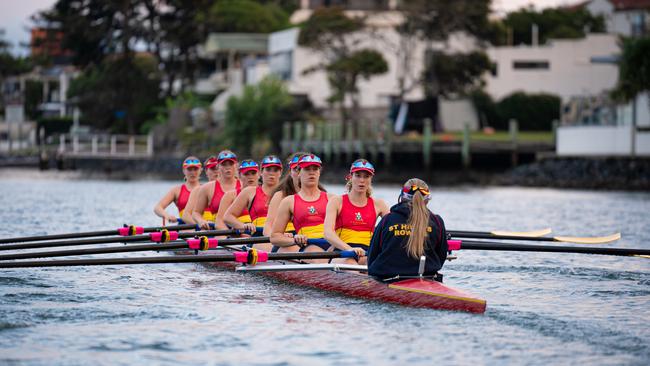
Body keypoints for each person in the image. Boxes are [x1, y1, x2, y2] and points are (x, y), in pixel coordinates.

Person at [367, 178, 448, 280]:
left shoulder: (387, 220)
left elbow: (372, 257)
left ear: (401, 197)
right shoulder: (437, 222)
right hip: (428, 278)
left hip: (387, 279)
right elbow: (441, 256)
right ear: (427, 200)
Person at [323, 159, 389, 264]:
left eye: (366, 176)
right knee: (351, 263)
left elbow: (393, 229)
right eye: (358, 175)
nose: (362, 180)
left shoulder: (379, 204)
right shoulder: (337, 201)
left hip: (367, 253)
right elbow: (327, 233)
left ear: (371, 179)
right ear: (350, 177)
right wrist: (349, 249)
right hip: (342, 252)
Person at [270, 154, 334, 262]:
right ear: (299, 173)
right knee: (317, 256)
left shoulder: (333, 199)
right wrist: (294, 240)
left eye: (315, 169)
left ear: (319, 173)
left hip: (332, 245)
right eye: (307, 169)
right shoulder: (288, 201)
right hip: (309, 245)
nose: (312, 172)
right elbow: (274, 237)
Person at [223, 155, 283, 249]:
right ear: (261, 172)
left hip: (283, 237)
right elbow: (227, 217)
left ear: (280, 173)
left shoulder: (288, 193)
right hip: (259, 237)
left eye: (275, 170)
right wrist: (243, 226)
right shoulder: (250, 192)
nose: (272, 173)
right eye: (268, 170)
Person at [189, 150, 241, 229]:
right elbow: (196, 213)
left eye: (231, 164)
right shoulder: (207, 188)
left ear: (236, 166)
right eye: (224, 164)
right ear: (218, 167)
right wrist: (201, 221)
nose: (228, 167)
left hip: (242, 230)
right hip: (216, 230)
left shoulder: (244, 186)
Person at [214, 159, 262, 230]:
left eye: (253, 173)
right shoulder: (230, 195)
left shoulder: (266, 194)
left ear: (259, 175)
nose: (250, 176)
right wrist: (232, 234)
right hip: (238, 237)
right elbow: (219, 223)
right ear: (239, 176)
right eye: (246, 174)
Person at [153, 156, 202, 224]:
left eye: (195, 169)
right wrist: (167, 215)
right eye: (189, 169)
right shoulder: (177, 191)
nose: (192, 172)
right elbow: (157, 208)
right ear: (184, 171)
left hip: (204, 228)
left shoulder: (206, 189)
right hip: (184, 229)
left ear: (200, 170)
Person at [179, 155, 219, 224]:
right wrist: (200, 225)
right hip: (204, 229)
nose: (216, 171)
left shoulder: (231, 190)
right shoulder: (199, 190)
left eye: (217, 168)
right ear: (206, 171)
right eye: (212, 169)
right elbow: (185, 216)